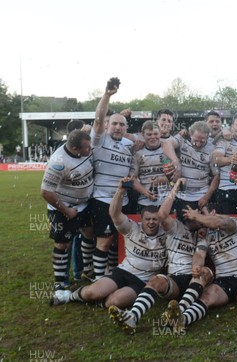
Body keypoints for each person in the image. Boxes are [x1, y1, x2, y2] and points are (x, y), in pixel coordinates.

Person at [108, 179, 213, 334]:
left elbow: (200, 253)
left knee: (205, 272)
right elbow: (162, 214)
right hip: (175, 279)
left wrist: (196, 266)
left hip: (194, 278)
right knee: (156, 280)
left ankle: (178, 313)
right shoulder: (175, 228)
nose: (199, 220)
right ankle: (133, 316)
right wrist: (176, 187)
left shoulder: (203, 235)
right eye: (195, 216)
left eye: (200, 218)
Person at [50, 177, 167, 308]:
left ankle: (102, 300)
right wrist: (120, 190)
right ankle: (69, 296)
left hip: (142, 281)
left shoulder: (167, 235)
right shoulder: (132, 227)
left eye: (155, 219)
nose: (151, 222)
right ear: (142, 219)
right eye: (148, 219)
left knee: (115, 302)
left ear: (160, 220)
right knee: (91, 292)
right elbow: (114, 213)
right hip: (123, 272)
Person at [162, 208, 237, 334]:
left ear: (214, 213)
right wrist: (196, 265)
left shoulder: (235, 223)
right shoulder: (206, 235)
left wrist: (195, 216)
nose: (203, 221)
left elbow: (219, 223)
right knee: (206, 298)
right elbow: (200, 254)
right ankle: (181, 320)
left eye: (205, 216)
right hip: (223, 281)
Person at [88, 78, 135, 281]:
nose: (117, 127)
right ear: (108, 125)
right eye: (114, 123)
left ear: (126, 127)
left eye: (121, 125)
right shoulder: (99, 139)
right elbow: (99, 119)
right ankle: (99, 281)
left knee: (118, 241)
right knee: (104, 242)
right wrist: (107, 95)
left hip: (123, 201)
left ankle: (114, 276)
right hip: (103, 201)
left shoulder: (129, 144)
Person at [41, 130, 94, 290]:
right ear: (75, 149)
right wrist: (66, 210)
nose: (90, 149)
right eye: (86, 147)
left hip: (84, 205)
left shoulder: (83, 149)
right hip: (63, 207)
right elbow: (46, 192)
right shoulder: (59, 162)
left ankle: (88, 271)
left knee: (89, 234)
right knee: (62, 244)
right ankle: (60, 281)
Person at [171, 121, 218, 216]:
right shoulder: (182, 140)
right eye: (195, 140)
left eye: (202, 141)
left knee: (203, 226)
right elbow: (166, 144)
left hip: (202, 194)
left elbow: (216, 175)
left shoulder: (212, 149)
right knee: (184, 227)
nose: (198, 144)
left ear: (208, 137)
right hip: (182, 194)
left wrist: (206, 197)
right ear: (190, 133)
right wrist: (175, 161)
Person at [130, 121, 175, 210]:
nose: (153, 137)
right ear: (143, 135)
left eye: (155, 134)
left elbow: (173, 178)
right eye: (149, 134)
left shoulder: (166, 150)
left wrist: (161, 180)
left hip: (166, 200)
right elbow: (132, 179)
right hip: (144, 201)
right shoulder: (138, 154)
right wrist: (146, 193)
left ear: (160, 134)